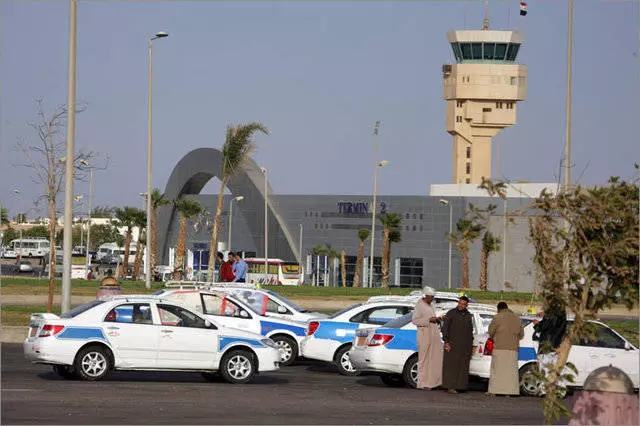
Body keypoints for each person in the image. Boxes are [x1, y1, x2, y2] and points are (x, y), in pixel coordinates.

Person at [487, 301, 524, 396]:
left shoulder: (497, 317)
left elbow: (491, 332)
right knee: (510, 372)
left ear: (499, 309)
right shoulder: (517, 318)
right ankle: (510, 392)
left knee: (497, 371)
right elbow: (521, 334)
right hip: (513, 349)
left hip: (499, 347)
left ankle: (495, 391)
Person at [533, 295, 567, 395]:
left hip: (547, 344)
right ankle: (560, 390)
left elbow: (546, 326)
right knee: (558, 368)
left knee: (545, 367)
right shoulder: (562, 313)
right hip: (557, 343)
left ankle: (544, 389)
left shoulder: (551, 314)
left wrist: (537, 325)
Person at [411, 285, 443, 390]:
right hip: (424, 335)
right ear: (426, 296)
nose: (432, 299)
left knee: (434, 359)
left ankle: (433, 383)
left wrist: (437, 319)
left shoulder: (430, 305)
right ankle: (422, 383)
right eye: (430, 297)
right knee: (424, 360)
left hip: (433, 335)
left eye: (433, 297)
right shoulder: (419, 305)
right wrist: (429, 319)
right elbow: (415, 320)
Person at [441, 295, 474, 394]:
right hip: (452, 345)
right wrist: (446, 342)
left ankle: (460, 386)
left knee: (462, 367)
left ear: (466, 305)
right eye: (460, 303)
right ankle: (450, 387)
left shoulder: (468, 315)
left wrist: (471, 346)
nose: (461, 306)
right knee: (451, 367)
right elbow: (445, 329)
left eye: (463, 304)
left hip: (464, 346)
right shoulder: (451, 313)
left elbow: (470, 331)